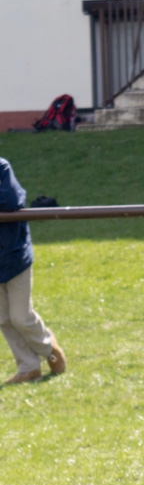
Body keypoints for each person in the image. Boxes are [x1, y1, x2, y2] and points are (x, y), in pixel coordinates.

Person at [0, 158, 65, 384]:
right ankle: (28, 368)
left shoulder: (2, 167)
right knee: (3, 318)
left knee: (21, 317)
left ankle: (51, 350)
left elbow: (11, 200)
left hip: (14, 255)